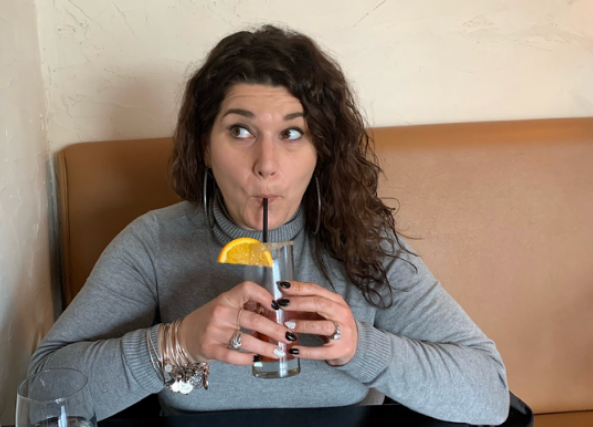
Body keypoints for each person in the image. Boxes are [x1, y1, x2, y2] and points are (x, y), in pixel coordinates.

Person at [29, 25, 510, 426]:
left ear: (321, 149)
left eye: (292, 133)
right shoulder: (153, 243)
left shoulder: (365, 241)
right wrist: (176, 342)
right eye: (240, 131)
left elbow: (489, 393)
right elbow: (41, 395)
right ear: (203, 147)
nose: (267, 164)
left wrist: (360, 346)